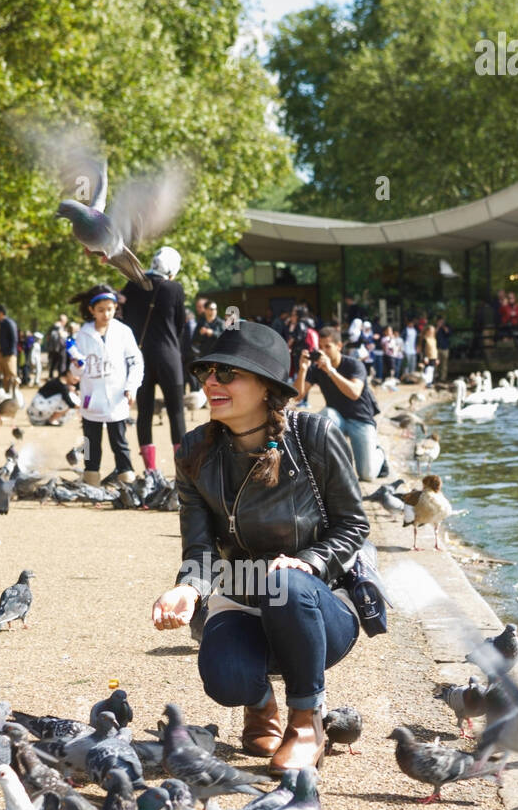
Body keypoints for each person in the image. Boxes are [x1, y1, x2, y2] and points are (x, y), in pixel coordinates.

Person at [151, 321, 368, 772]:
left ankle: (307, 721)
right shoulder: (194, 450)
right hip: (243, 598)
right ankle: (259, 701)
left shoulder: (314, 437)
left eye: (227, 373)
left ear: (268, 387)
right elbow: (199, 550)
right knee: (225, 680)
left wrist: (308, 562)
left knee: (284, 582)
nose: (211, 381)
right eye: (207, 371)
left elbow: (353, 525)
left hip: (316, 604)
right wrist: (188, 589)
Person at [121, 245, 187, 470]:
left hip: (140, 357)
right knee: (176, 413)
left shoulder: (132, 286)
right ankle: (181, 471)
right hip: (169, 356)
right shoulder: (174, 289)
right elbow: (180, 326)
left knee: (144, 413)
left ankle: (150, 470)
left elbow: (126, 319)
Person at [70, 284, 143, 486]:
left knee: (119, 441)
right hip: (91, 397)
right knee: (90, 441)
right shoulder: (82, 335)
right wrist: (76, 366)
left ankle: (126, 476)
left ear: (115, 308)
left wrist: (132, 386)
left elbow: (136, 361)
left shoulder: (123, 332)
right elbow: (76, 371)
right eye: (101, 310)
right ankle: (91, 476)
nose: (106, 314)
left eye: (110, 309)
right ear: (91, 310)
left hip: (117, 395)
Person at [295, 325, 382, 483]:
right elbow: (298, 397)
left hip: (360, 420)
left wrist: (331, 371)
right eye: (320, 347)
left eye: (327, 346)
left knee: (367, 475)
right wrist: (302, 370)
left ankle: (379, 453)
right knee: (325, 415)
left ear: (339, 346)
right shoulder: (317, 369)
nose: (323, 351)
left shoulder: (354, 364)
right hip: (337, 419)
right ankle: (327, 470)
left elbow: (354, 393)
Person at [0, 303, 18, 392]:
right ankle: (7, 394)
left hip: (8, 354)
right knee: (4, 376)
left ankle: (15, 394)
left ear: (1, 313)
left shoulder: (9, 323)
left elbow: (14, 339)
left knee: (11, 374)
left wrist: (10, 352)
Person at [435, 315, 451, 383]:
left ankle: (443, 378)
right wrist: (438, 327)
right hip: (437, 348)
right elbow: (433, 334)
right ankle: (436, 376)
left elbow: (448, 333)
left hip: (445, 348)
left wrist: (444, 327)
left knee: (444, 364)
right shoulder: (435, 328)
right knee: (436, 364)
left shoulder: (447, 327)